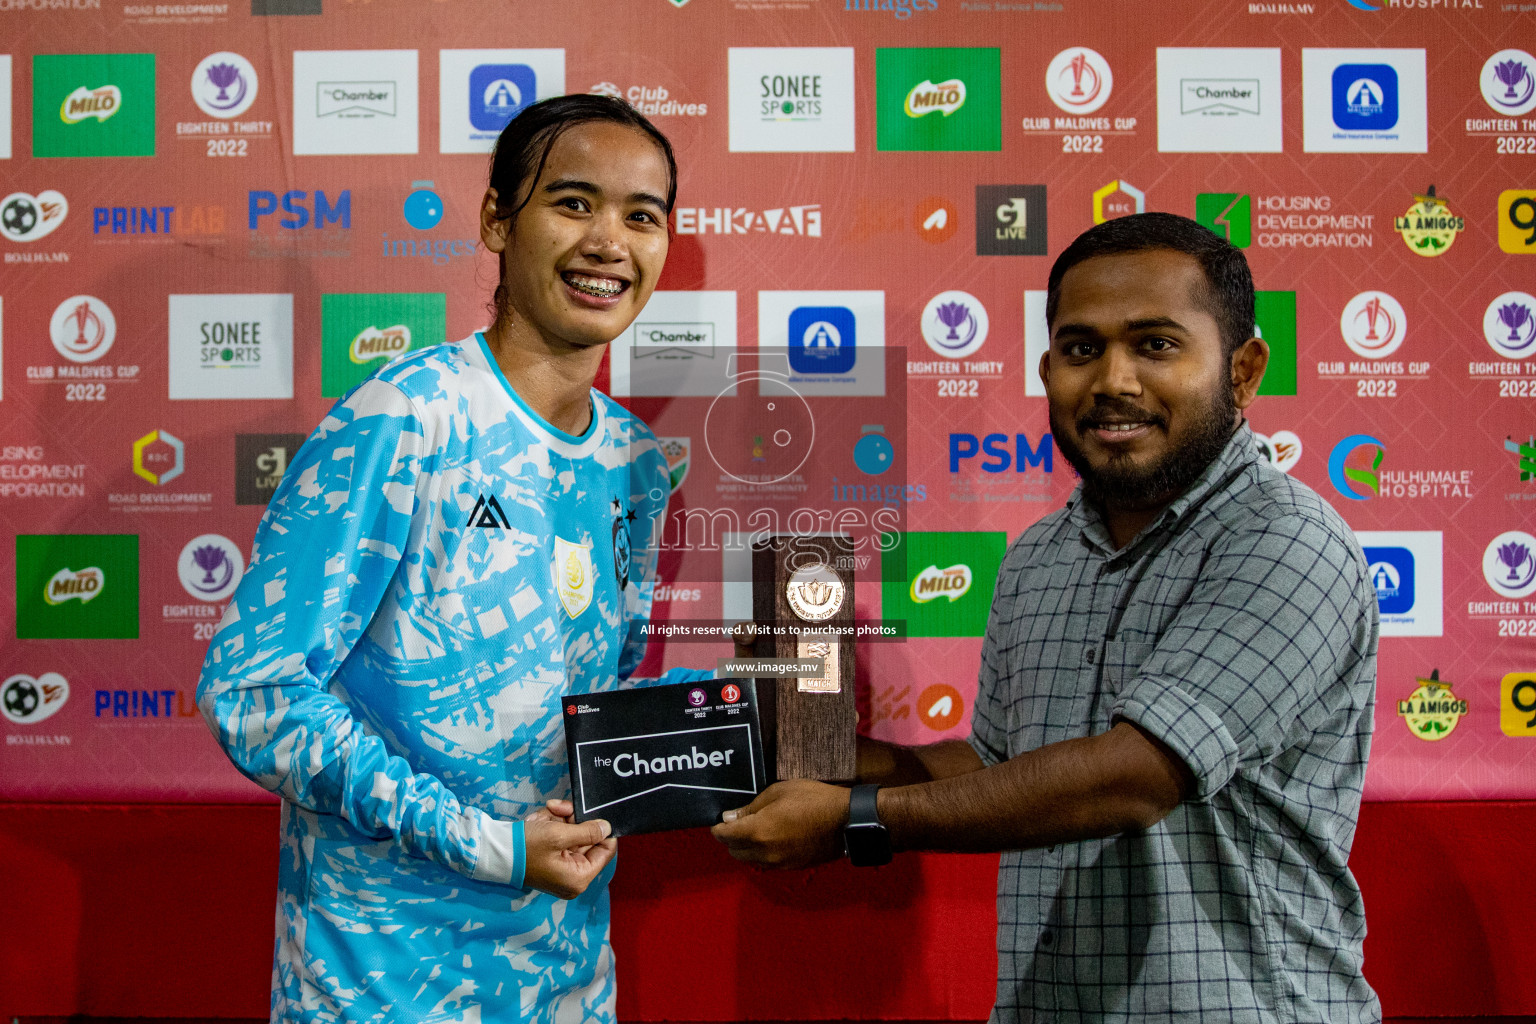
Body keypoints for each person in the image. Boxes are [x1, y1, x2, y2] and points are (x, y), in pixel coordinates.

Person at [713, 213, 1383, 1024]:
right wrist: (816, 754)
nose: (1113, 381)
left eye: (1156, 345)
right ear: (1046, 367)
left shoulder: (1286, 542)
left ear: (1243, 371)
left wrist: (854, 820)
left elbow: (1134, 777)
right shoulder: (1040, 556)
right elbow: (995, 768)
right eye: (1080, 348)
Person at [196, 95, 712, 1024]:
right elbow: (257, 698)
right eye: (573, 202)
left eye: (642, 216)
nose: (610, 242)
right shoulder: (404, 418)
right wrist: (488, 845)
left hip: (566, 984)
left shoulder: (637, 465)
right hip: (377, 988)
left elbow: (593, 708)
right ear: (494, 220)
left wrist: (745, 737)